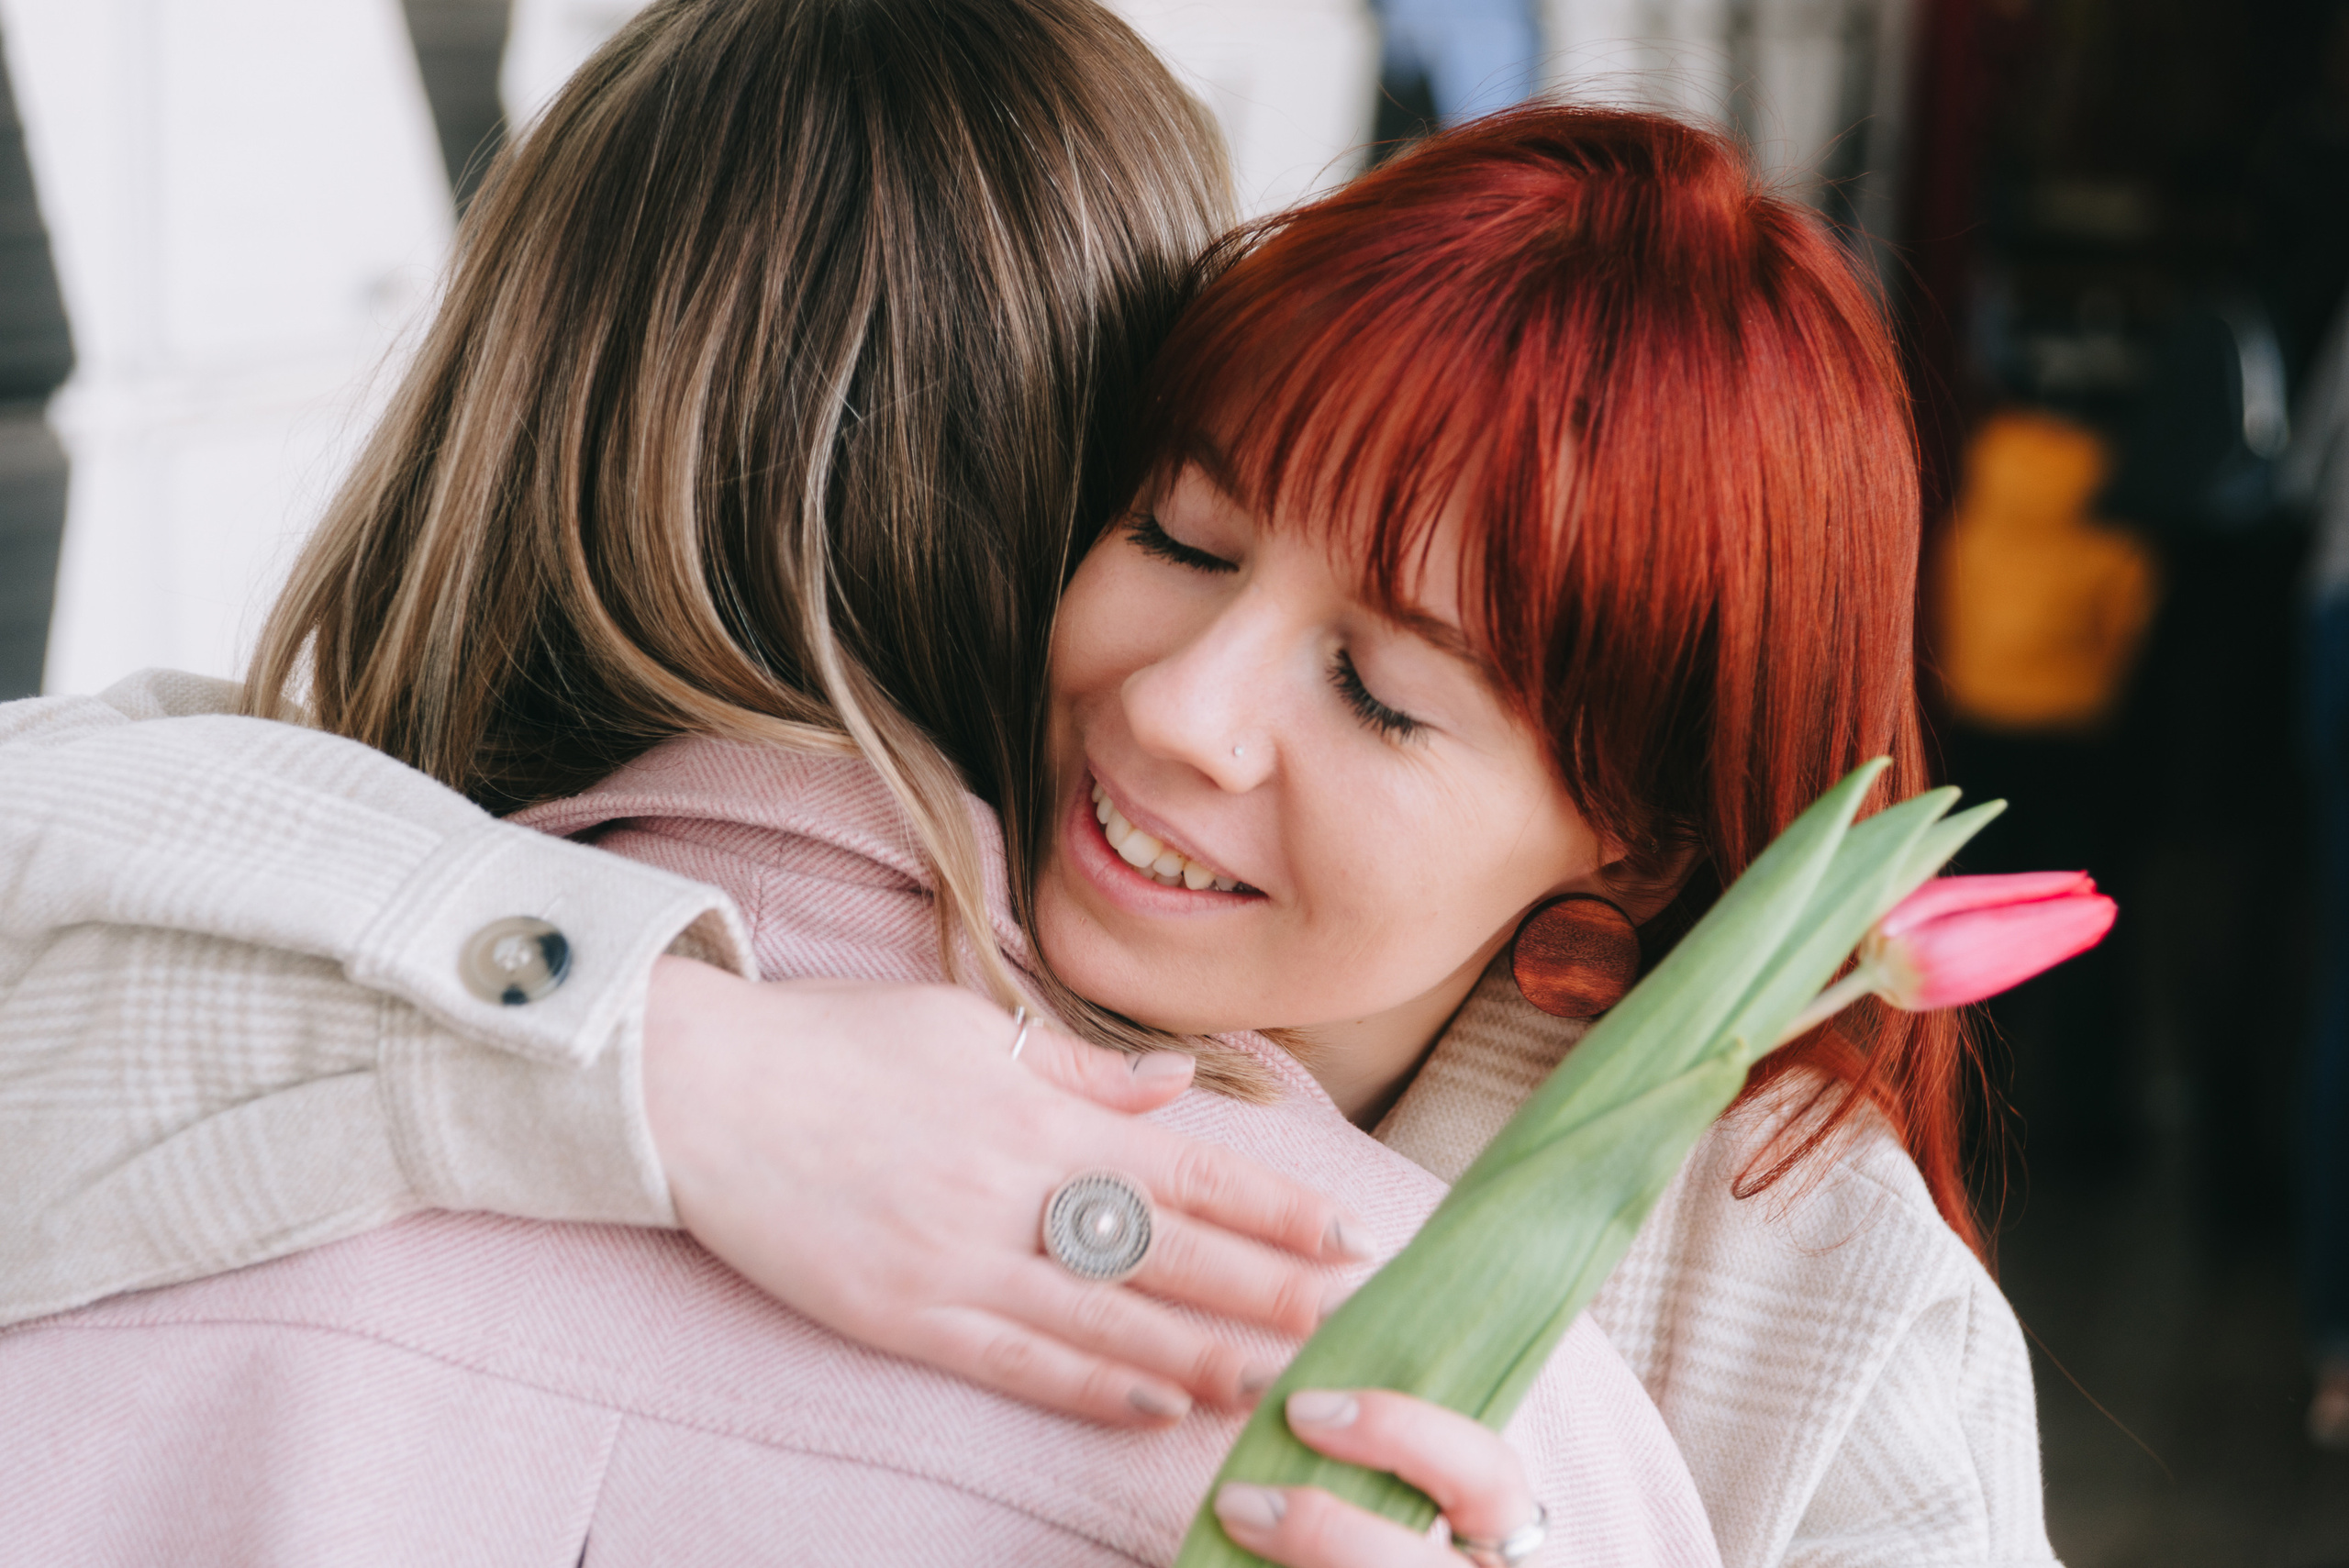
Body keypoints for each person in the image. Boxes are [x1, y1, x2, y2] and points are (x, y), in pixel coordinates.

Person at [0, 5, 2057, 1564]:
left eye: (1380, 691)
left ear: (1638, 854)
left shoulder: (1790, 1318)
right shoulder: (279, 901)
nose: (1180, 706)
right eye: (1174, 534)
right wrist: (671, 1066)